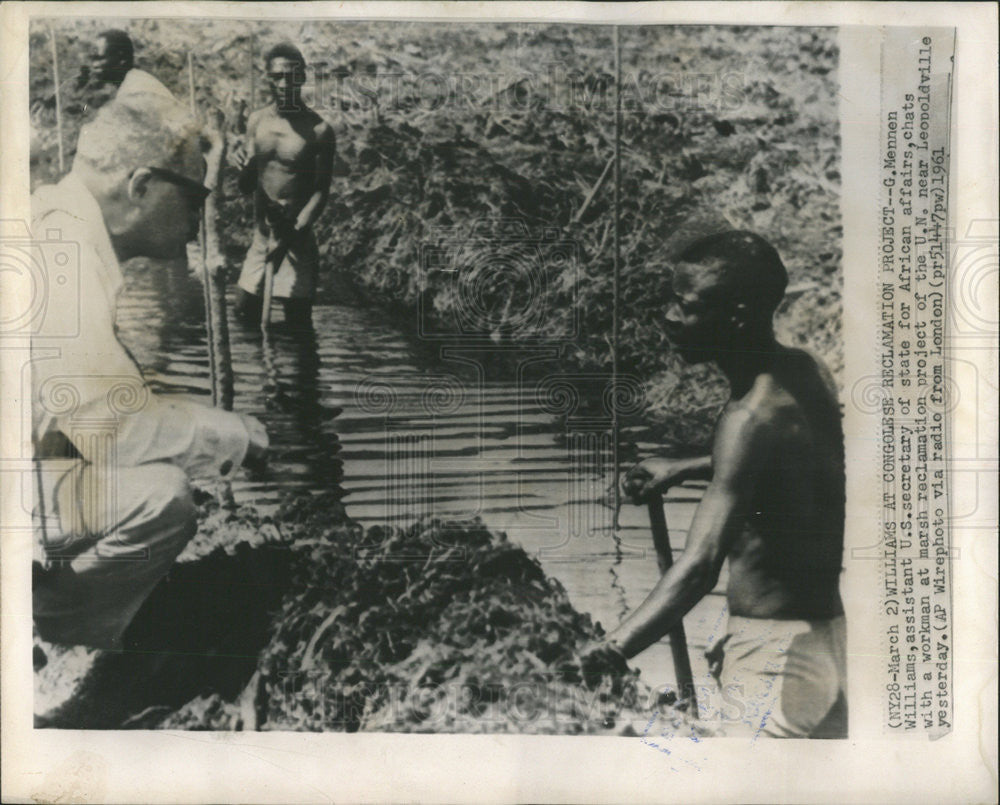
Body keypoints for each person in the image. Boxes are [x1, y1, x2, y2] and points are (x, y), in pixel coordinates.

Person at [583, 231, 847, 739]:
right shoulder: (805, 371)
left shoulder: (746, 419)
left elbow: (698, 569)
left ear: (737, 316)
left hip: (774, 662)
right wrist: (685, 467)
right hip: (828, 640)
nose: (668, 316)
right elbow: (787, 461)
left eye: (686, 306)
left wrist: (606, 654)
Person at [31, 92, 269, 650]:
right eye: (192, 198)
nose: (198, 218)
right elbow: (115, 430)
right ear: (140, 188)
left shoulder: (53, 226)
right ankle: (62, 632)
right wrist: (235, 435)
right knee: (162, 495)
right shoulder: (61, 254)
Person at [231, 42, 335, 328]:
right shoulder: (256, 121)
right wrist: (243, 164)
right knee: (243, 314)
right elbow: (245, 186)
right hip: (262, 236)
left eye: (291, 76)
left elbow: (321, 190)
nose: (284, 84)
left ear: (302, 77)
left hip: (296, 238)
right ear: (268, 78)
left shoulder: (319, 130)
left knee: (298, 325)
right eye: (276, 76)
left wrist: (293, 231)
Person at [84, 28, 175, 102]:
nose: (94, 65)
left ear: (121, 59)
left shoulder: (134, 91)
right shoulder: (133, 79)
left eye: (100, 58)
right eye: (92, 59)